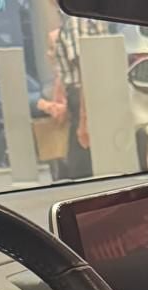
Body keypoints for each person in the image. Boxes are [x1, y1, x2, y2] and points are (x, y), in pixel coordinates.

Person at [41, 13, 111, 179]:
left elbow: (86, 67)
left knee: (82, 170)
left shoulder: (77, 21)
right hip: (89, 97)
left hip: (84, 98)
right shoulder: (87, 20)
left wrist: (84, 119)